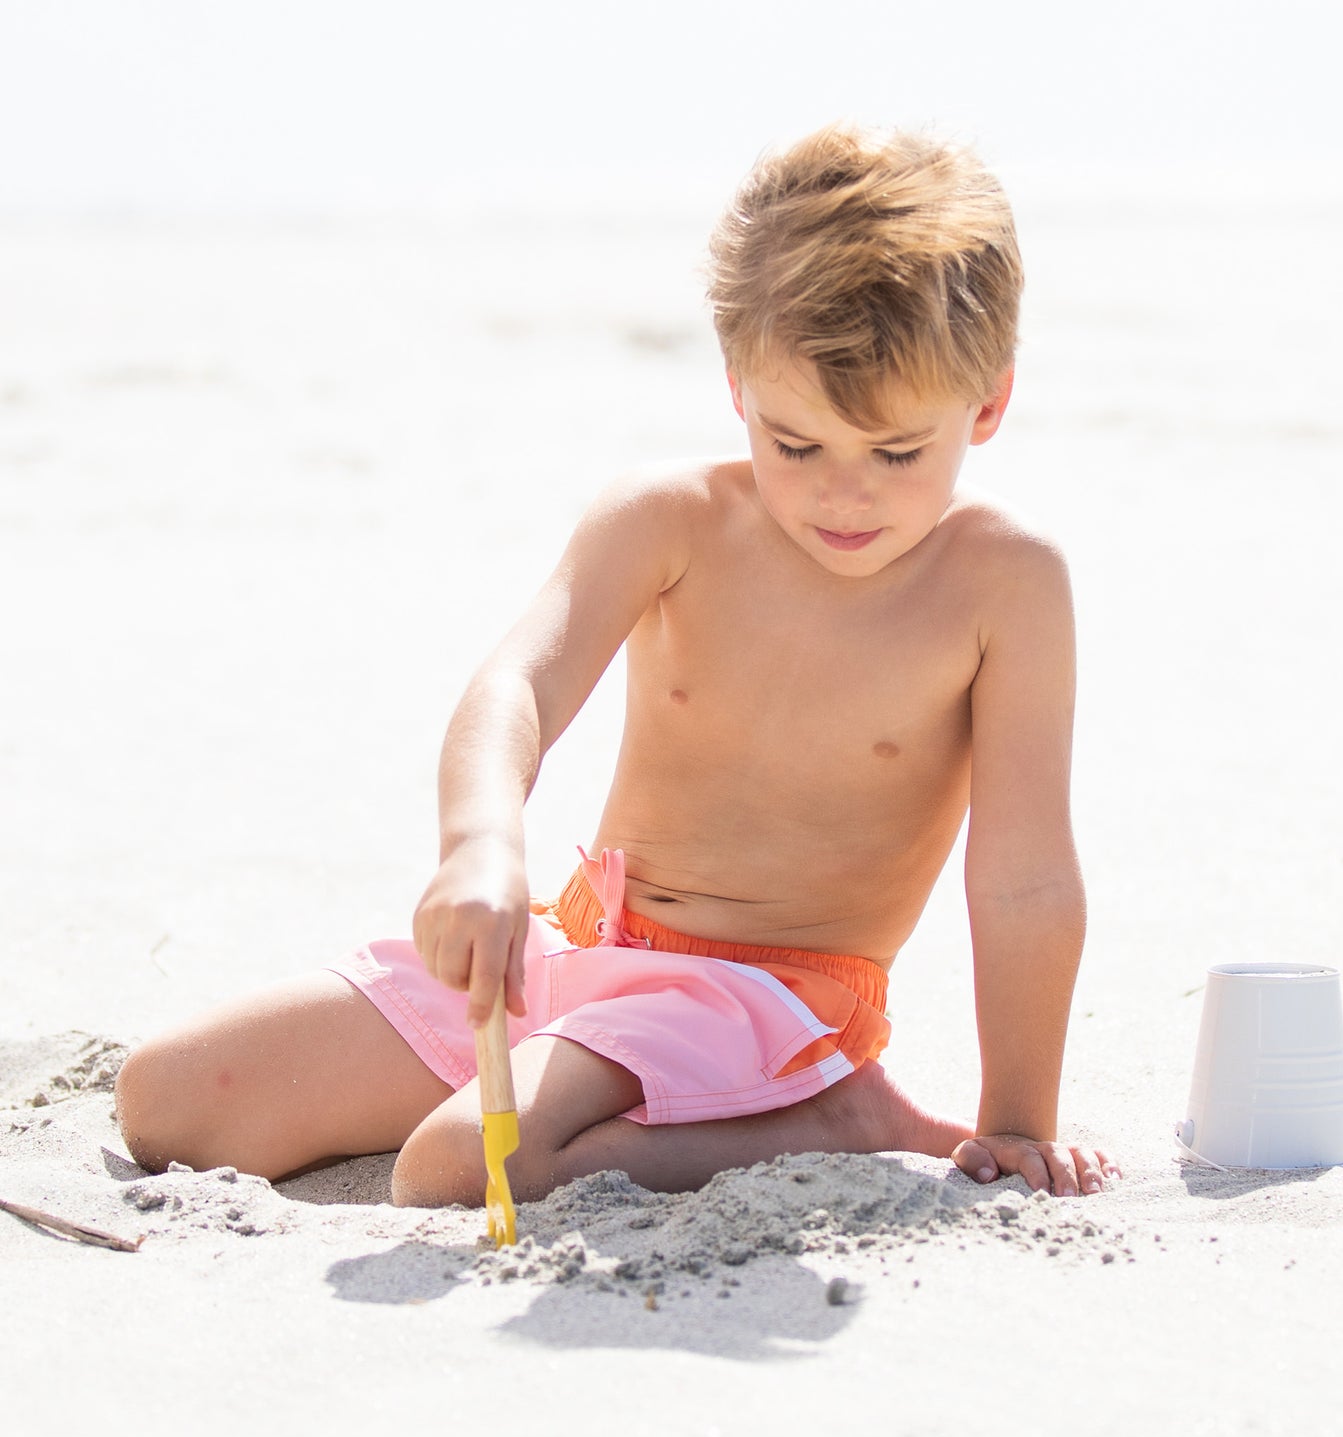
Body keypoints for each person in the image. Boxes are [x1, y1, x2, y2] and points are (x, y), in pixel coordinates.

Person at [116, 123, 1118, 1207]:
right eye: (796, 445)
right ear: (737, 384)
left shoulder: (1001, 583)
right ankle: (597, 1092)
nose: (843, 494)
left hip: (761, 999)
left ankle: (831, 1112)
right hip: (574, 954)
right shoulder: (668, 520)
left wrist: (1018, 1118)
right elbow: (516, 686)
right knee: (171, 1097)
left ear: (987, 404)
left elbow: (1022, 875)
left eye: (895, 454)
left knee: (464, 1161)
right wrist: (481, 847)